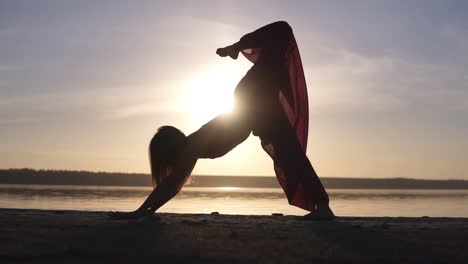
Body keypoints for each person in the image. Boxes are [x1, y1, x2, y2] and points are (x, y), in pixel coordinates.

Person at [108, 21, 335, 220]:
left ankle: (323, 206)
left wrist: (140, 212)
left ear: (168, 152)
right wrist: (145, 211)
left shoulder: (193, 145)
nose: (167, 168)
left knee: (291, 155)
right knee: (291, 156)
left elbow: (170, 185)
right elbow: (172, 186)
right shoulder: (193, 146)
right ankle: (322, 206)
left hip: (252, 103)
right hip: (254, 110)